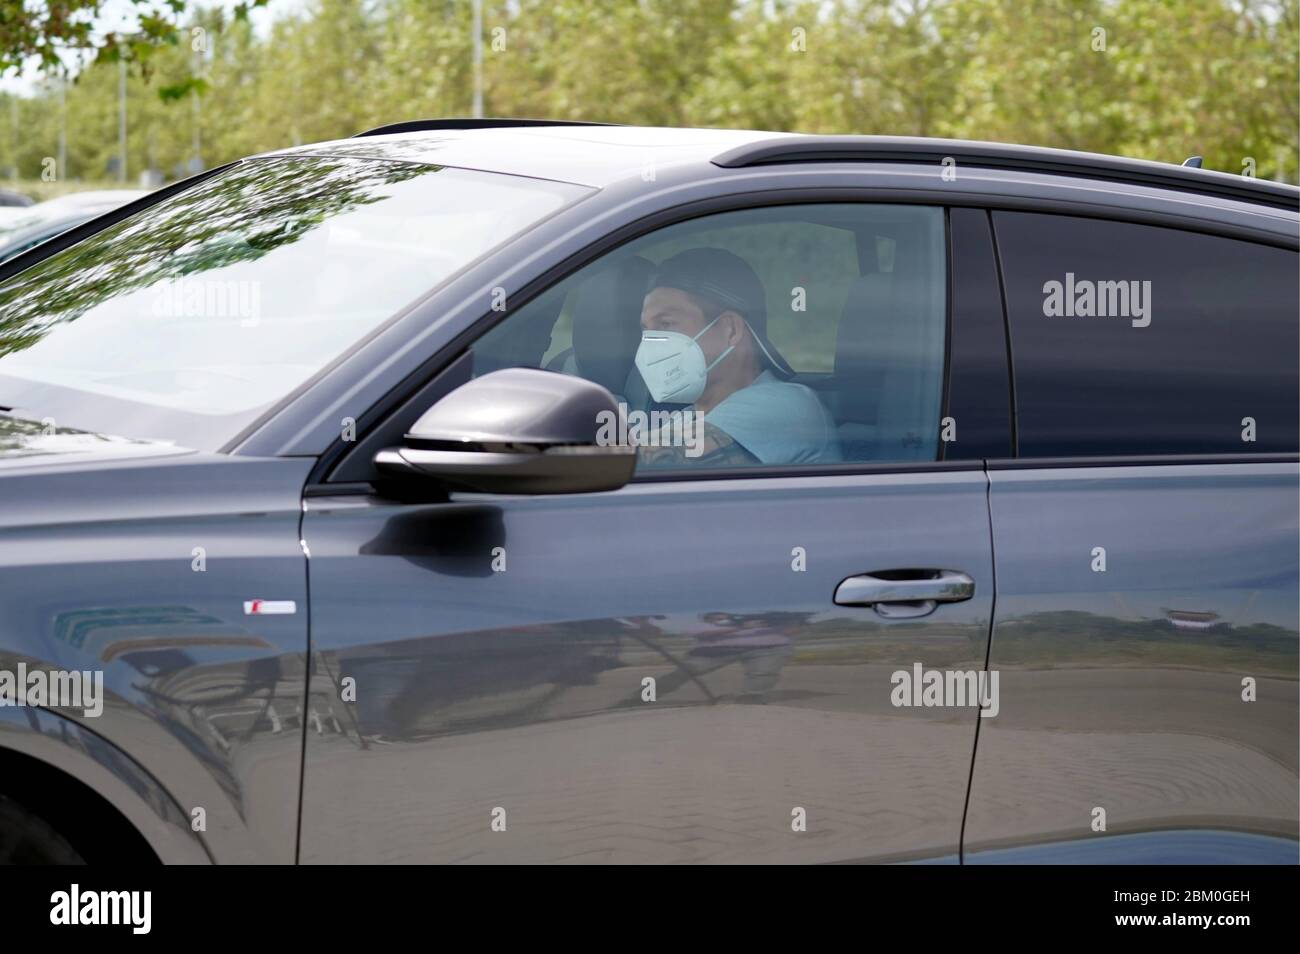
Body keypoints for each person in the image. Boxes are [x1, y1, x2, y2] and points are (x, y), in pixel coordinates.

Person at [634, 247, 841, 467]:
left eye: (666, 324)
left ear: (730, 330)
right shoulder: (688, 417)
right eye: (647, 330)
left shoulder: (785, 407)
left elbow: (657, 462)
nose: (650, 342)